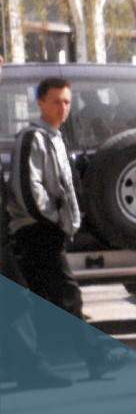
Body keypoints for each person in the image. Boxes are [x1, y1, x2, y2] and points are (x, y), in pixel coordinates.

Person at [4, 76, 126, 382]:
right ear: (41, 102)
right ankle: (96, 356)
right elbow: (28, 189)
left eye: (67, 101)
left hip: (52, 230)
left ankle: (31, 368)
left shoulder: (58, 139)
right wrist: (52, 221)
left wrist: (70, 221)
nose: (62, 107)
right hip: (36, 230)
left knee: (33, 301)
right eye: (56, 101)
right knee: (66, 295)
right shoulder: (32, 137)